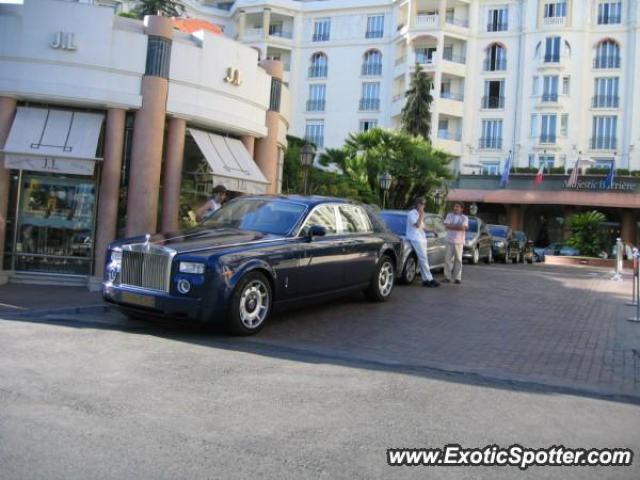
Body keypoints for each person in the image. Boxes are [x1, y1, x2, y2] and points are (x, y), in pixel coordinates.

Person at [406, 197, 440, 288]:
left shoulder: (420, 214)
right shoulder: (411, 213)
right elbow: (417, 225)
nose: (423, 206)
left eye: (424, 204)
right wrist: (421, 215)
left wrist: (432, 230)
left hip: (422, 239)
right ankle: (430, 279)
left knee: (423, 260)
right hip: (415, 238)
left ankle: (425, 280)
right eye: (421, 204)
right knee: (424, 259)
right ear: (417, 204)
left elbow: (423, 227)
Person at [443, 202, 469, 285]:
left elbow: (463, 228)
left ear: (461, 209)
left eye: (457, 207)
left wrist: (452, 226)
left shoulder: (465, 217)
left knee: (458, 260)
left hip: (459, 241)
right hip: (449, 240)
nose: (455, 208)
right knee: (447, 259)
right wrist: (458, 227)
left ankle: (458, 278)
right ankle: (447, 277)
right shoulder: (449, 215)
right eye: (454, 207)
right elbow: (446, 225)